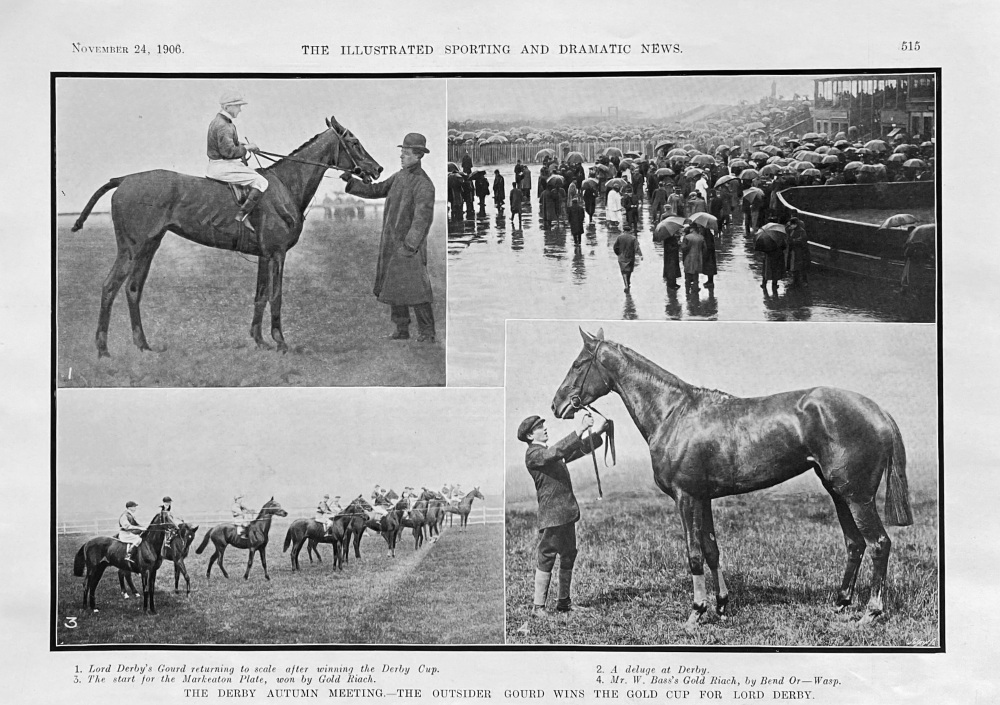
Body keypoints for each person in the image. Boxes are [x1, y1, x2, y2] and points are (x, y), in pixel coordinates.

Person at [343, 133, 436, 343]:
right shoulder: (399, 176)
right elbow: (376, 190)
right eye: (401, 152)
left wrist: (409, 246)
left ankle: (427, 333)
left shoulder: (424, 185)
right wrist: (352, 182)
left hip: (409, 247)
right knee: (395, 288)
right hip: (392, 245)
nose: (401, 157)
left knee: (418, 291)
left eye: (406, 153)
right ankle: (401, 330)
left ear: (418, 156)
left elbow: (422, 220)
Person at [518, 412, 606, 616]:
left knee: (568, 555)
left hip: (565, 513)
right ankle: (538, 608)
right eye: (540, 427)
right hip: (553, 516)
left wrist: (599, 433)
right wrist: (581, 428)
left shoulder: (548, 454)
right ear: (530, 436)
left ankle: (564, 603)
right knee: (546, 556)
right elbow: (559, 450)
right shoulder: (534, 454)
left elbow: (574, 450)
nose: (545, 428)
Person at [206, 90, 268, 227]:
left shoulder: (221, 122)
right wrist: (246, 148)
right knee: (261, 181)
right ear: (227, 107)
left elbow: (227, 144)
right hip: (222, 166)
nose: (240, 110)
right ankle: (241, 217)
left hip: (220, 164)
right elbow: (228, 152)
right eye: (237, 106)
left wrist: (245, 145)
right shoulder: (224, 125)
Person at [613, 226, 642, 292]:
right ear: (630, 231)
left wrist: (618, 254)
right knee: (629, 270)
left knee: (623, 271)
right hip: (630, 257)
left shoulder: (619, 237)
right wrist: (640, 255)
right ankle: (627, 283)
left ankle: (626, 284)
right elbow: (637, 247)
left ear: (624, 230)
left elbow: (615, 247)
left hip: (622, 257)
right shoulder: (633, 238)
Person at [681, 224, 707, 293]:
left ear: (692, 229)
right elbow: (705, 249)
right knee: (696, 276)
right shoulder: (701, 237)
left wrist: (680, 244)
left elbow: (683, 248)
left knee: (688, 276)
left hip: (688, 258)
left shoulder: (687, 237)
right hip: (698, 258)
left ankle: (687, 292)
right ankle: (695, 291)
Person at [785, 216, 810, 287]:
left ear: (795, 224)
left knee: (801, 267)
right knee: (794, 266)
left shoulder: (801, 231)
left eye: (792, 224)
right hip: (794, 251)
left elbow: (802, 241)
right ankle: (795, 281)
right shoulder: (792, 230)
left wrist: (793, 241)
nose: (791, 226)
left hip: (800, 252)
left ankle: (804, 281)